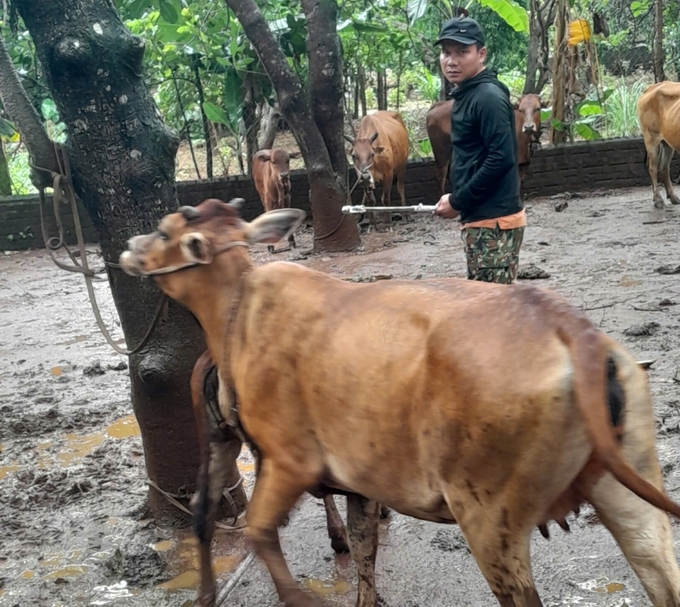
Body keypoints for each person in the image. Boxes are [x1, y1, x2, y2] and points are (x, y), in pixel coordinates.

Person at [433, 16, 525, 284]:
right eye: (446, 52)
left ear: (481, 54)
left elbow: (501, 159)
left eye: (462, 52)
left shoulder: (487, 98)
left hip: (494, 221)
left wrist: (459, 201)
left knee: (493, 311)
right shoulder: (469, 93)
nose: (452, 61)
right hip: (482, 218)